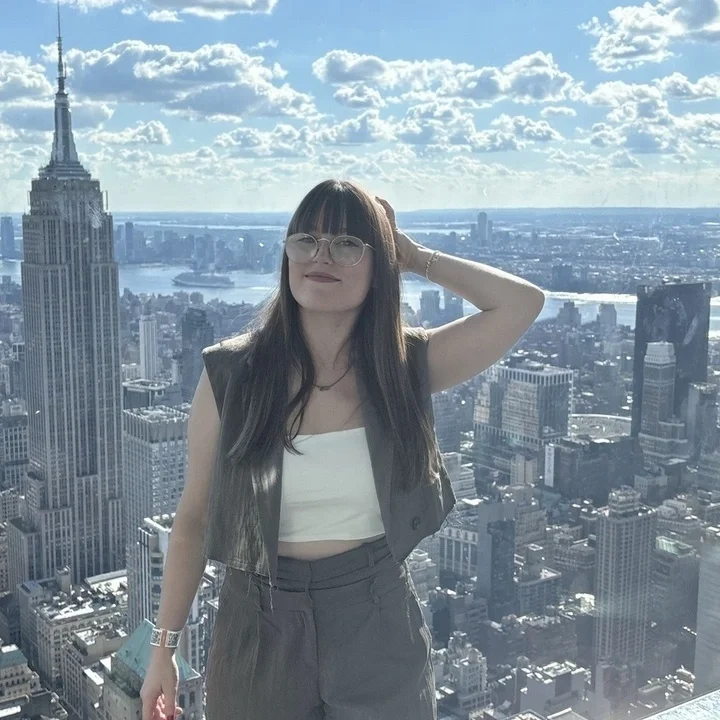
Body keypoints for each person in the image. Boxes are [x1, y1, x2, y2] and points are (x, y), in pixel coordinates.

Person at [140, 179, 545, 720]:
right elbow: (193, 519)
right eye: (306, 239)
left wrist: (414, 256)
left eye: (348, 243)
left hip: (375, 617)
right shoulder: (231, 374)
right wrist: (163, 650)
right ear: (287, 255)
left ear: (380, 264)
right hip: (257, 624)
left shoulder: (403, 367)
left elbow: (522, 303)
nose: (321, 255)